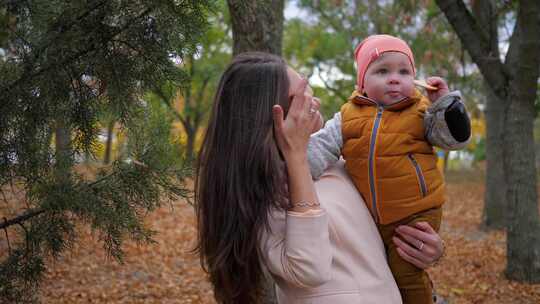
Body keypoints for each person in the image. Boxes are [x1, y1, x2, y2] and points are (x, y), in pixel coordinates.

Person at [195, 52, 444, 304]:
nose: (315, 101)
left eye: (309, 90)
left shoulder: (336, 163)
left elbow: (378, 230)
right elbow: (309, 269)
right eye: (301, 98)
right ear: (269, 115)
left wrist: (428, 249)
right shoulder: (259, 191)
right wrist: (296, 159)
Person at [307, 34, 471, 304]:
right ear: (362, 82)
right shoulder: (347, 116)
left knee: (406, 273)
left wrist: (446, 105)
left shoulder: (421, 112)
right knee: (382, 274)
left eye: (404, 71)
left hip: (415, 212)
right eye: (382, 71)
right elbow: (321, 146)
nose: (395, 78)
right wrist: (295, 168)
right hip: (372, 217)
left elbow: (454, 139)